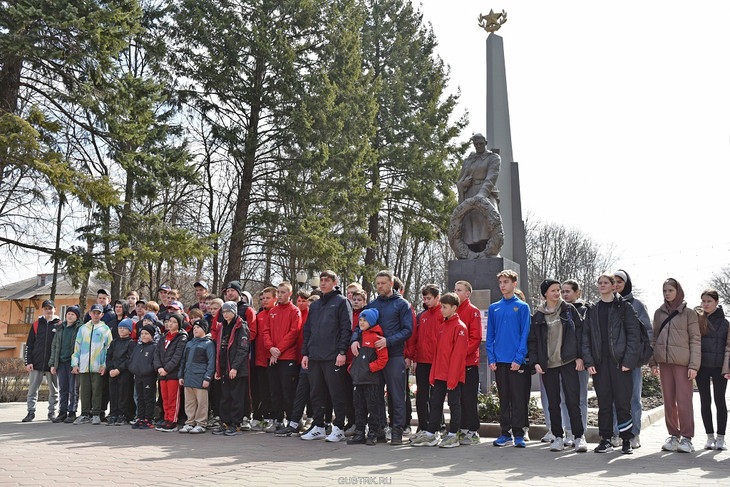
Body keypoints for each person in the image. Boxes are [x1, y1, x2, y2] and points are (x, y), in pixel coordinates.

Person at [351, 270, 413, 445]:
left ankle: (397, 431)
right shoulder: (372, 304)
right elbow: (359, 326)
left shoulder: (402, 305)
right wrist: (355, 340)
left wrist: (388, 341)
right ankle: (378, 430)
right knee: (374, 396)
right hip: (372, 357)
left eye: (383, 283)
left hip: (393, 356)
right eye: (377, 283)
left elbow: (408, 330)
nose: (379, 286)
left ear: (391, 284)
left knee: (396, 395)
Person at [582, 273, 641, 454]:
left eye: (606, 282)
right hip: (600, 364)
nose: (602, 285)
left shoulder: (624, 307)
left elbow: (634, 335)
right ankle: (606, 439)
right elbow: (585, 338)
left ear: (614, 285)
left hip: (620, 363)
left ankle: (626, 440)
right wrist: (589, 361)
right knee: (604, 403)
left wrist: (628, 361)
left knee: (623, 403)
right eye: (599, 283)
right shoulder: (593, 309)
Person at [528, 279, 588, 453]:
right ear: (544, 294)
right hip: (548, 364)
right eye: (553, 290)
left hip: (568, 361)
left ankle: (578, 436)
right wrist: (536, 361)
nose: (557, 293)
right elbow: (532, 341)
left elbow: (579, 334)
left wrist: (579, 357)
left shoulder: (569, 310)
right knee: (553, 403)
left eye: (558, 290)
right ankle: (558, 437)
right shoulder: (538, 316)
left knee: (572, 400)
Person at [410, 293, 467, 448]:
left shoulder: (460, 328)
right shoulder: (442, 326)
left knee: (454, 404)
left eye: (445, 307)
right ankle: (430, 434)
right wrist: (433, 373)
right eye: (441, 306)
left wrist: (453, 378)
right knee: (435, 402)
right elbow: (437, 354)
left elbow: (458, 356)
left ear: (454, 308)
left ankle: (453, 434)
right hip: (440, 374)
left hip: (452, 375)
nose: (441, 310)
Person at [650, 278, 701, 453]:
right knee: (669, 401)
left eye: (670, 290)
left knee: (684, 401)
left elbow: (695, 340)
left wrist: (693, 365)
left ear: (678, 291)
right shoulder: (658, 312)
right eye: (664, 291)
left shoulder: (689, 314)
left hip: (683, 364)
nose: (667, 294)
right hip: (664, 364)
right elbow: (654, 338)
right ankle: (673, 436)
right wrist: (653, 361)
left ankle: (687, 438)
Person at [301, 271, 352, 442]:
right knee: (316, 392)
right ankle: (319, 426)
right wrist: (305, 354)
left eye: (327, 280)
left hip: (333, 356)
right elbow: (307, 330)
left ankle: (338, 428)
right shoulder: (315, 305)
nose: (323, 283)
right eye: (321, 280)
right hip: (315, 355)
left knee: (336, 392)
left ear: (335, 282)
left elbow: (346, 328)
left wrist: (342, 352)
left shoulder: (342, 302)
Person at [486, 270, 531, 448]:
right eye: (500, 282)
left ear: (514, 284)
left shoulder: (522, 307)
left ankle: (519, 434)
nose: (502, 285)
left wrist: (519, 358)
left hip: (516, 361)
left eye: (506, 282)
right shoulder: (494, 307)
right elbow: (490, 335)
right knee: (504, 398)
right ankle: (505, 433)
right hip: (499, 361)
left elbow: (524, 334)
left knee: (518, 399)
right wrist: (491, 357)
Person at [613, 269, 652, 448]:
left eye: (620, 282)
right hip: (613, 362)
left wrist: (638, 356)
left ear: (626, 284)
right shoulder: (607, 303)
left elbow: (647, 333)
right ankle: (615, 434)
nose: (616, 285)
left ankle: (635, 434)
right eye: (614, 281)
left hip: (633, 361)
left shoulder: (637, 305)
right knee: (614, 399)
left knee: (633, 399)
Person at [263, 282, 302, 433]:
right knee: (274, 390)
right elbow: (266, 332)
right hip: (273, 357)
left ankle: (293, 421)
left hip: (287, 357)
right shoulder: (273, 311)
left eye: (283, 292)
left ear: (290, 294)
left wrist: (278, 350)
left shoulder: (294, 311)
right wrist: (271, 349)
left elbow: (294, 332)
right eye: (278, 292)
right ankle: (278, 420)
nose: (279, 295)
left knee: (287, 391)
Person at [347, 309, 388, 446]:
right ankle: (359, 432)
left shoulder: (376, 338)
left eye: (365, 320)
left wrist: (369, 369)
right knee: (359, 406)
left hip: (371, 379)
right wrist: (352, 369)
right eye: (360, 320)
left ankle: (374, 432)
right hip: (358, 379)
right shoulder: (358, 337)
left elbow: (383, 359)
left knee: (373, 406)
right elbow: (356, 358)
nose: (362, 322)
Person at [695, 289, 730, 450]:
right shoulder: (698, 320)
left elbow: (728, 347)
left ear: (716, 302)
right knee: (705, 401)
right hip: (702, 368)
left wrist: (727, 368)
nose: (706, 304)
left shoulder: (725, 323)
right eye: (703, 301)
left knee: (720, 401)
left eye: (709, 301)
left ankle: (721, 438)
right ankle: (709, 437)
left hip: (719, 368)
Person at [455, 133, 501, 253]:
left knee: (487, 225)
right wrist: (462, 184)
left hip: (485, 193)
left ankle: (489, 250)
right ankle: (472, 251)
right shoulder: (469, 160)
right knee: (470, 228)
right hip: (469, 193)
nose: (479, 146)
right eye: (476, 144)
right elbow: (460, 179)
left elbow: (491, 177)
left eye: (481, 143)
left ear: (485, 143)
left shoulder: (493, 158)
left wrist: (481, 195)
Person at [213, 301, 250, 436]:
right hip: (224, 368)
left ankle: (236, 424)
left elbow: (243, 348)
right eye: (223, 311)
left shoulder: (241, 326)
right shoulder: (222, 326)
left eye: (228, 311)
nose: (226, 314)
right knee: (225, 397)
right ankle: (225, 423)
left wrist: (234, 367)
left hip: (237, 369)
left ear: (234, 311)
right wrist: (218, 368)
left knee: (236, 397)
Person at [71, 304, 112, 425]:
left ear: (102, 315)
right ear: (90, 313)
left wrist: (104, 365)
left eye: (98, 313)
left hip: (98, 366)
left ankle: (96, 414)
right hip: (84, 366)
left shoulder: (105, 329)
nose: (96, 315)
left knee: (97, 391)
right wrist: (75, 363)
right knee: (84, 391)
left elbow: (109, 349)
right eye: (94, 312)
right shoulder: (83, 328)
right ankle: (84, 414)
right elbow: (77, 347)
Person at [408, 284, 441, 433]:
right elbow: (415, 338)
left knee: (436, 396)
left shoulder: (443, 313)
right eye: (424, 298)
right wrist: (414, 358)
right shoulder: (421, 316)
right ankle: (422, 426)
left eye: (429, 298)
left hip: (437, 361)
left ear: (437, 298)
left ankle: (436, 426)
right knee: (421, 396)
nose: (426, 301)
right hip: (422, 361)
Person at [454, 280, 482, 445]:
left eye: (459, 290)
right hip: (455, 364)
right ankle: (461, 428)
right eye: (455, 289)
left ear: (467, 294)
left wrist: (460, 354)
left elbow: (475, 337)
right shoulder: (452, 311)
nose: (456, 292)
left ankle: (473, 430)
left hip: (469, 362)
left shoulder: (473, 311)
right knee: (457, 397)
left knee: (469, 397)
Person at [23, 299, 61, 422]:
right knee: (33, 390)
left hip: (52, 365)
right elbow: (29, 344)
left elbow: (61, 345)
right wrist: (28, 362)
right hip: (36, 363)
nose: (48, 310)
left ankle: (52, 413)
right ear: (42, 310)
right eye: (46, 308)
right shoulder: (36, 324)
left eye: (51, 308)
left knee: (54, 390)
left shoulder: (60, 324)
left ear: (55, 309)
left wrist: (56, 363)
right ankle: (31, 412)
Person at [178, 319, 216, 434]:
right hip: (188, 377)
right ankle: (190, 422)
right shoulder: (189, 343)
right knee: (189, 402)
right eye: (194, 328)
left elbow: (211, 362)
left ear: (204, 329)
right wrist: (181, 375)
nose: (195, 330)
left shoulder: (208, 344)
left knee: (202, 402)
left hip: (200, 378)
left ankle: (201, 423)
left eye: (198, 328)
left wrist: (207, 378)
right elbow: (183, 361)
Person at [153, 313, 188, 432]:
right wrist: (159, 368)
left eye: (173, 321)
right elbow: (157, 354)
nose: (170, 324)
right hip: (162, 373)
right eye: (168, 321)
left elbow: (177, 357)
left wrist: (166, 369)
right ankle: (166, 418)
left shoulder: (181, 337)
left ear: (179, 324)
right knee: (165, 398)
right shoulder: (163, 337)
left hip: (173, 374)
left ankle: (172, 420)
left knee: (173, 398)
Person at [49, 305, 83, 423]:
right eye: (68, 314)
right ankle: (62, 412)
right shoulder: (60, 327)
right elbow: (54, 346)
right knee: (63, 388)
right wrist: (53, 363)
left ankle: (72, 412)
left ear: (77, 316)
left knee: (73, 389)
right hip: (61, 362)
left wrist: (77, 364)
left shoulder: (79, 328)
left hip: (72, 362)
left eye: (73, 314)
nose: (70, 316)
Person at [251, 287, 274, 431]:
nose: (264, 301)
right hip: (258, 359)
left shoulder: (275, 313)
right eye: (262, 299)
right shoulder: (258, 315)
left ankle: (270, 417)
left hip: (272, 358)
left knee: (270, 390)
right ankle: (258, 416)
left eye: (267, 298)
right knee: (258, 390)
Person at [106, 318, 136, 425]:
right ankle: (114, 413)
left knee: (124, 394)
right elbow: (108, 356)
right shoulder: (114, 342)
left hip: (124, 373)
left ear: (129, 331)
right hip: (112, 372)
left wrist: (119, 369)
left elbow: (129, 359)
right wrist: (110, 369)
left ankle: (123, 414)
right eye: (120, 328)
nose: (122, 330)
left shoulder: (131, 343)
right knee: (113, 393)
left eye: (124, 328)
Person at [129, 324, 157, 429]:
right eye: (142, 334)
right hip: (138, 376)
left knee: (148, 397)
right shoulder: (138, 347)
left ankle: (148, 418)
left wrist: (149, 370)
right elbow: (132, 360)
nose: (144, 336)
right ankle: (140, 417)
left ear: (152, 335)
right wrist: (133, 369)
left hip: (149, 377)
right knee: (140, 397)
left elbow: (155, 362)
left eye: (146, 334)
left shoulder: (154, 347)